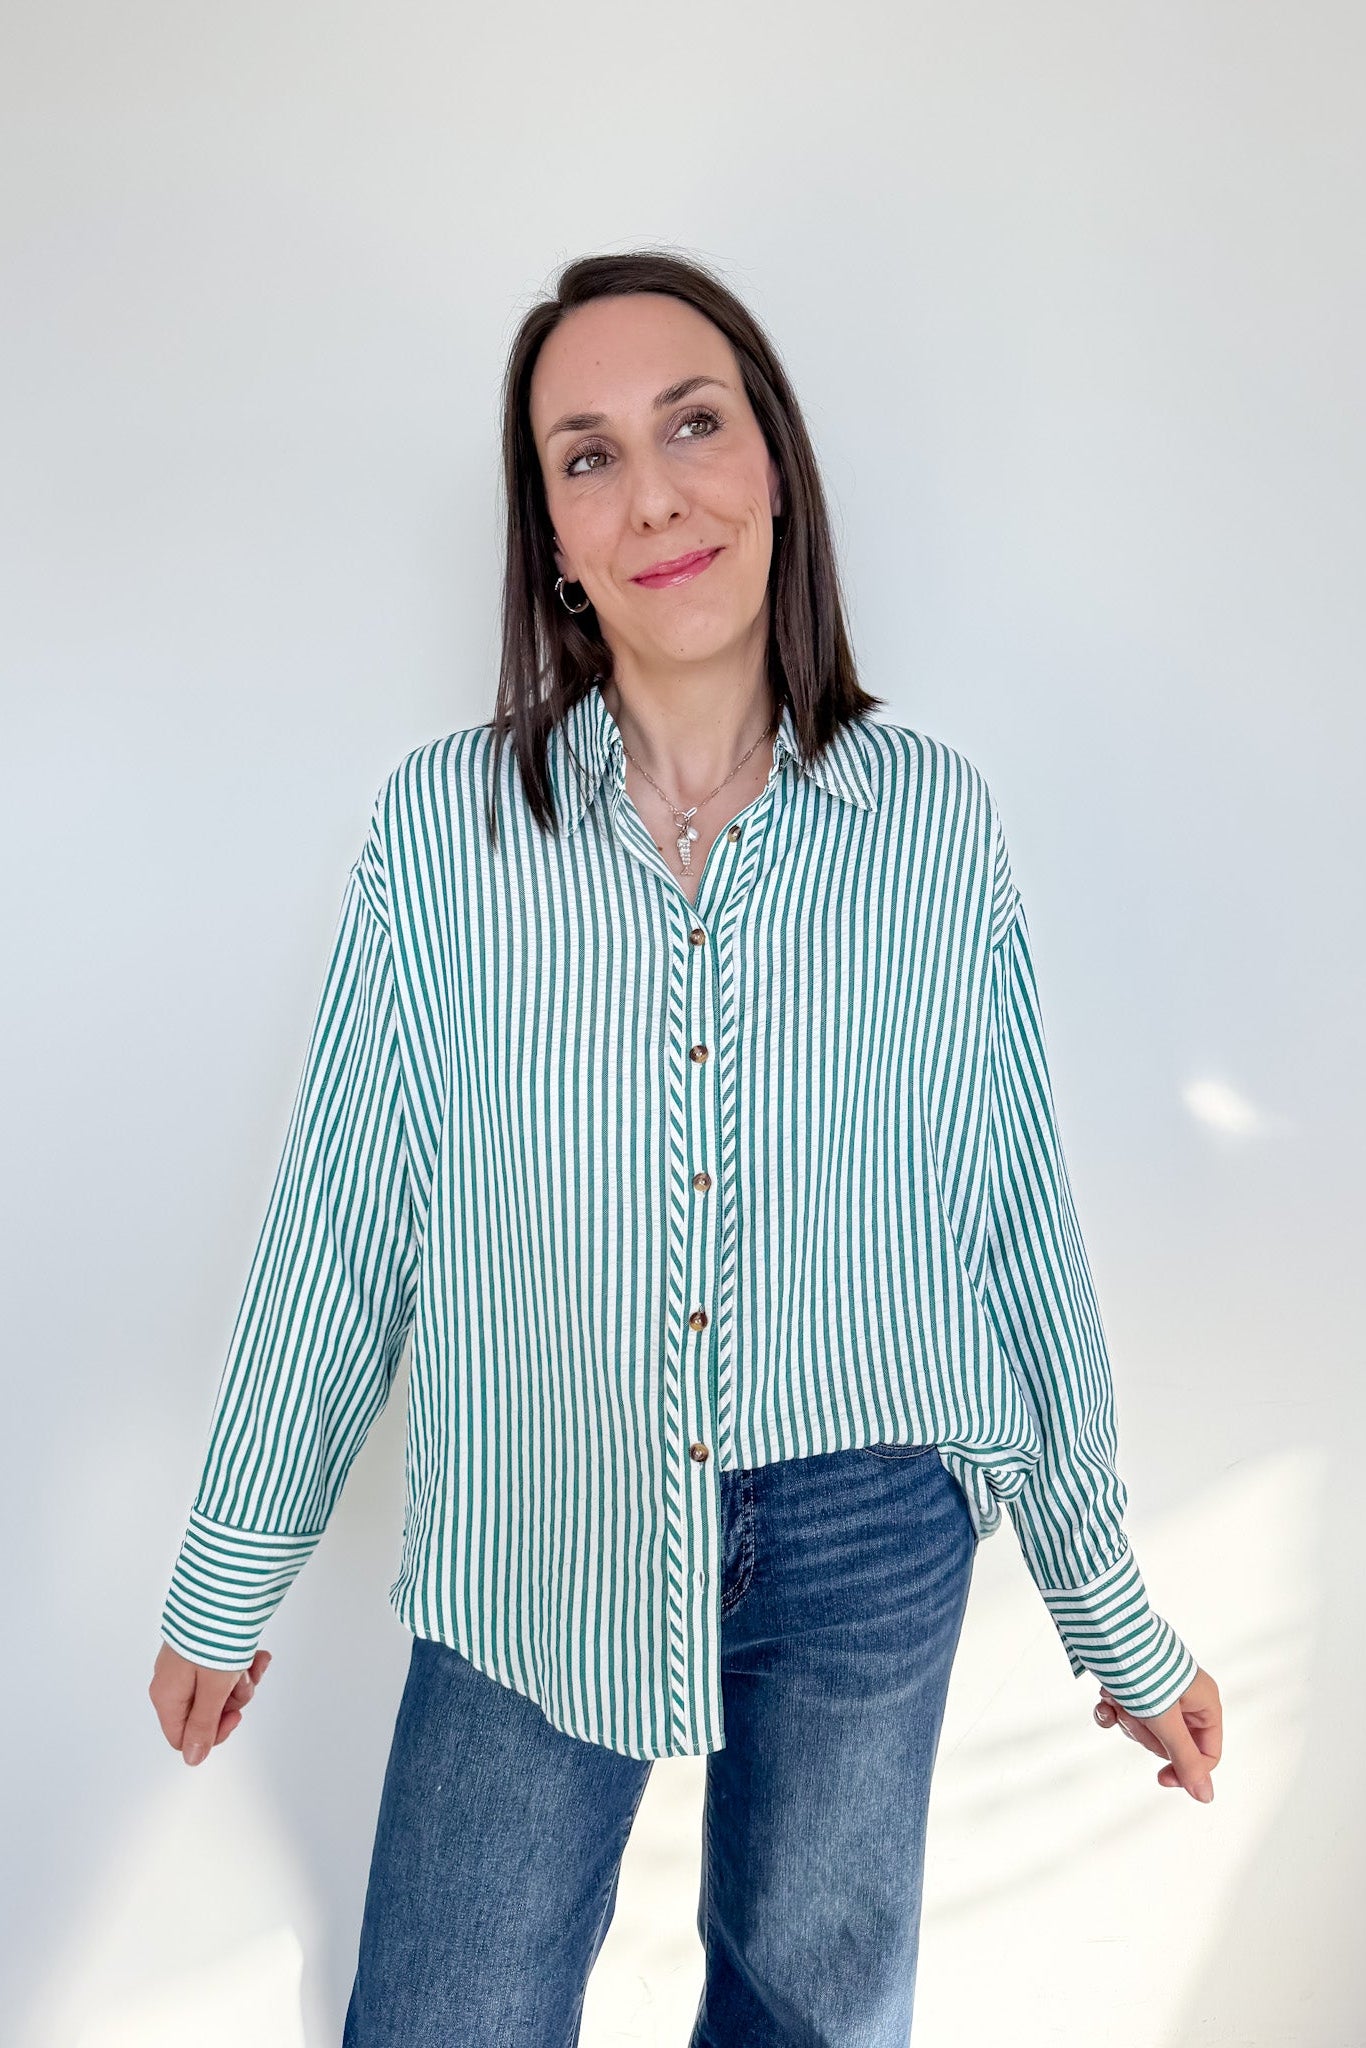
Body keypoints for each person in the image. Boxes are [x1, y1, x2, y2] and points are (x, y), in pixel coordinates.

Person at [149, 248, 1222, 2044]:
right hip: (533, 1518)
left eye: (692, 425)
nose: (652, 494)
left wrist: (1102, 1603)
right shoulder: (448, 829)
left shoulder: (930, 826)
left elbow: (1007, 1227)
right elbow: (348, 1226)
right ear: (553, 540)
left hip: (869, 1516)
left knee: (811, 2020)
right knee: (443, 2011)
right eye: (587, 456)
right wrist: (229, 1570)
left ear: (774, 466)